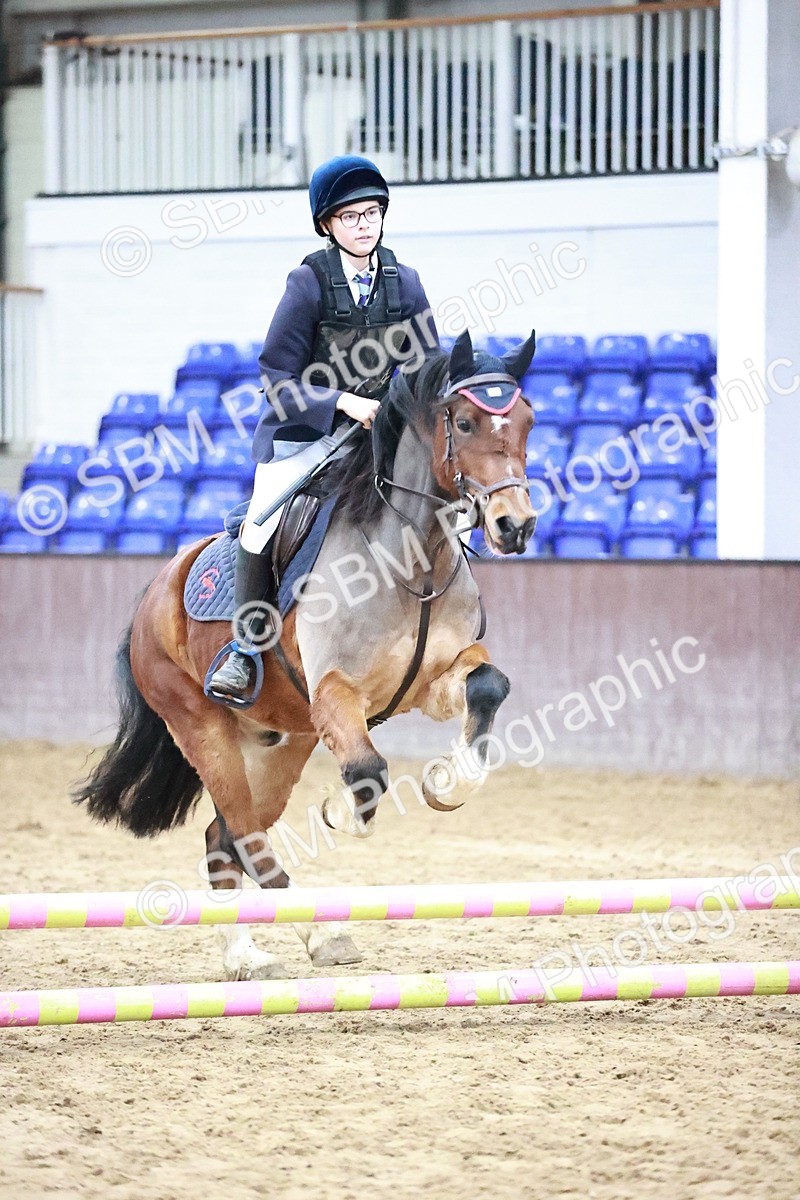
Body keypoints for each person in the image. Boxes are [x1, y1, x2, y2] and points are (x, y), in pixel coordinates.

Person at [208, 154, 440, 702]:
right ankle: (245, 648)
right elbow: (276, 377)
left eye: (372, 213)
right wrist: (341, 402)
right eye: (351, 216)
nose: (365, 224)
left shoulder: (404, 283)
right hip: (305, 437)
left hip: (379, 440)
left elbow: (428, 365)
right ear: (328, 225)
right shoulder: (308, 284)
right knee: (261, 521)